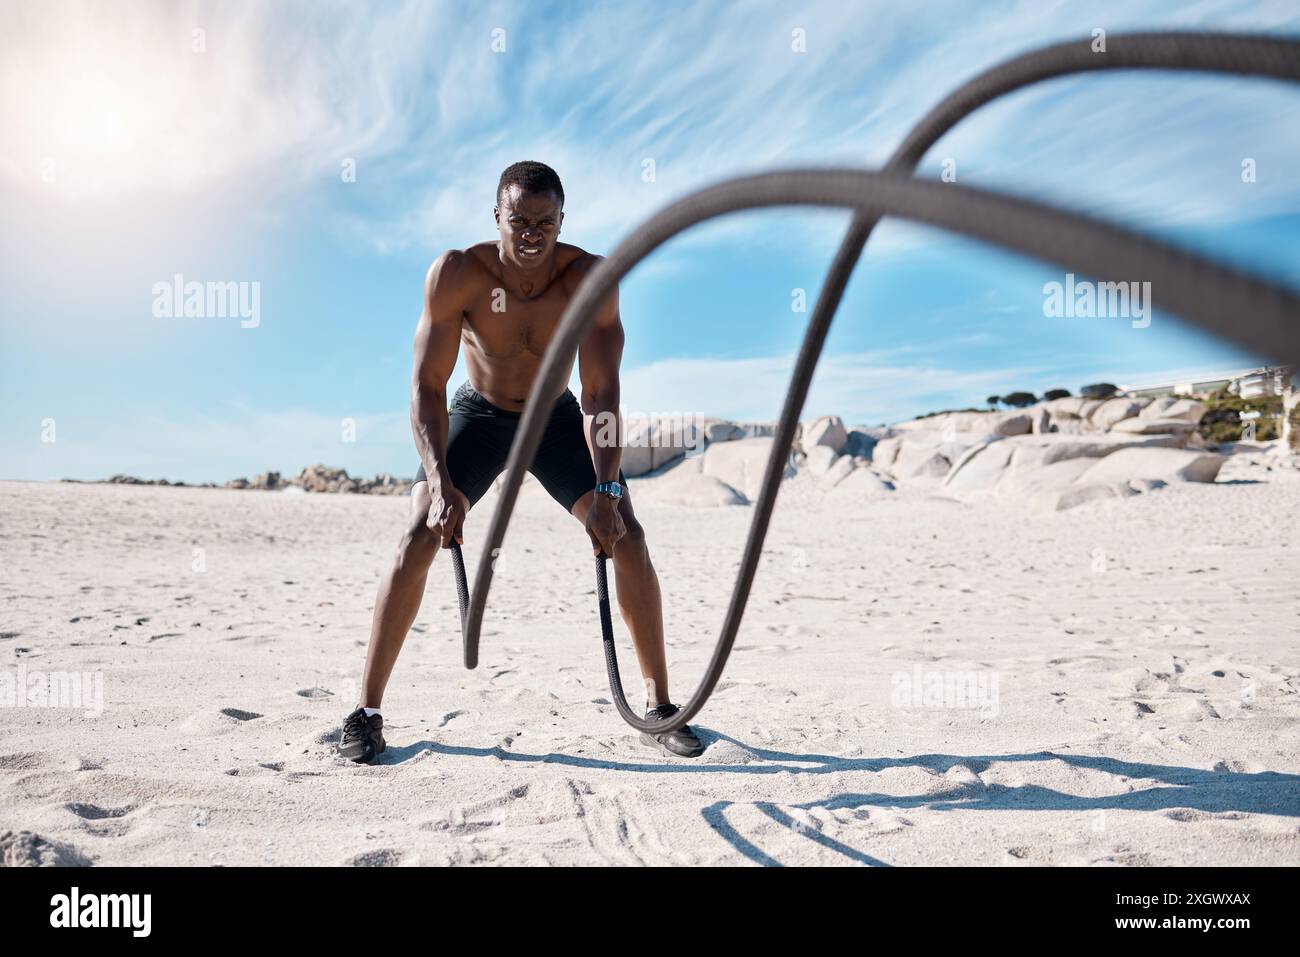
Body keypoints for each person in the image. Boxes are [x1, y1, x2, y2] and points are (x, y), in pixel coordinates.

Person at [338, 161, 705, 763]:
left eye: (546, 222)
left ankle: (659, 707)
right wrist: (438, 482)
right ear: (496, 216)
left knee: (628, 534)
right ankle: (367, 710)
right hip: (477, 415)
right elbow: (427, 385)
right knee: (417, 531)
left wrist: (608, 490)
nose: (532, 233)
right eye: (519, 221)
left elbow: (601, 394)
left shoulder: (590, 279)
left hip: (555, 422)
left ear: (563, 220)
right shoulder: (457, 273)